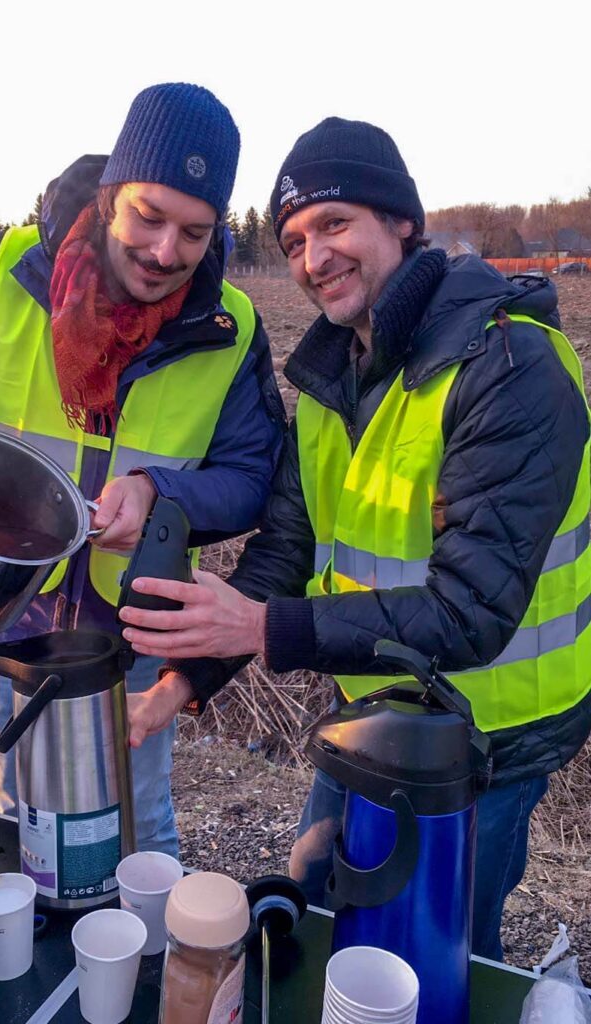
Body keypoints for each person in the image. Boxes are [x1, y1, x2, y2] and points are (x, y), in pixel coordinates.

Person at [118, 116, 591, 958]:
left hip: (487, 743)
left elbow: (470, 612)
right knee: (323, 916)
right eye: (293, 239)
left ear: (400, 222)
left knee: (431, 960)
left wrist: (264, 630)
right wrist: (184, 681)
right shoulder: (334, 376)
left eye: (333, 225)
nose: (311, 259)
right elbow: (285, 553)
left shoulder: (510, 369)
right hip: (370, 715)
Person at [0, 83, 284, 856]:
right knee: (26, 827)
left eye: (194, 232)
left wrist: (159, 492)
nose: (166, 252)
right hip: (3, 624)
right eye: (149, 215)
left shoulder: (228, 331)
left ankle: (143, 967)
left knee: (137, 833)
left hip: (132, 642)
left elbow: (252, 475)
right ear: (110, 197)